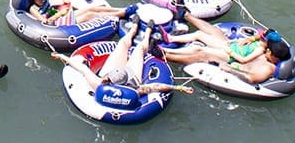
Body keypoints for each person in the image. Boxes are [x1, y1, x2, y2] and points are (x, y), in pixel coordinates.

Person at [156, 0, 291, 83]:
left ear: (275, 58)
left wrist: (230, 70)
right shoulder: (269, 51)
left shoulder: (268, 68)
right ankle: (185, 14)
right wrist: (251, 38)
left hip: (232, 61)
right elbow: (268, 34)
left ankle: (164, 55)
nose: (267, 51)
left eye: (269, 52)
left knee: (203, 53)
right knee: (214, 32)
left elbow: (251, 78)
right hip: (234, 48)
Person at [51, 18, 193, 96]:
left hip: (119, 73)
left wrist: (62, 56)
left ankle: (141, 31)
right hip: (127, 75)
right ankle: (141, 31)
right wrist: (178, 88)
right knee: (132, 47)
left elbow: (82, 68)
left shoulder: (99, 83)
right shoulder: (135, 90)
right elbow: (155, 86)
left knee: (130, 47)